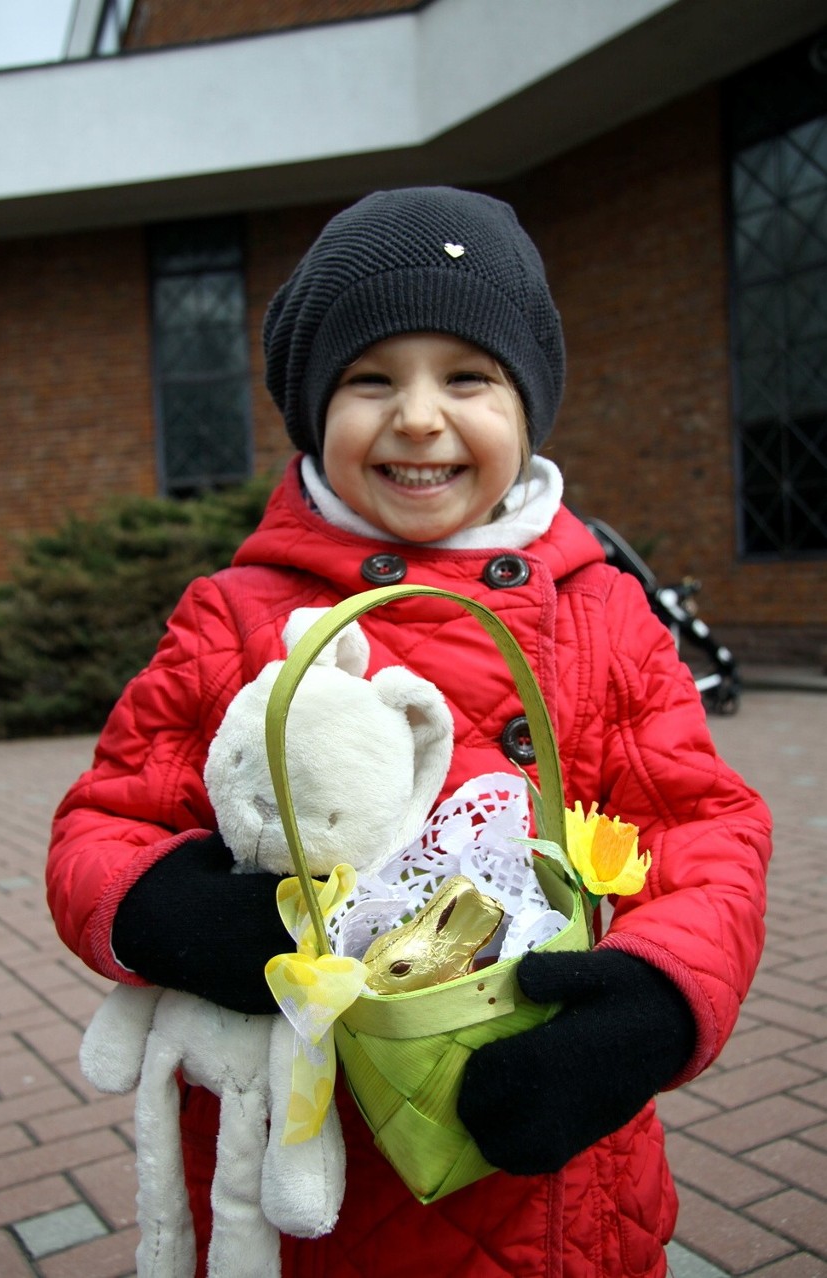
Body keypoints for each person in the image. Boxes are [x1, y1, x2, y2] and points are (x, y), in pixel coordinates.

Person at [47, 186, 771, 1278]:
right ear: (311, 413)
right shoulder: (235, 616)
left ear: (528, 407)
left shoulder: (603, 613)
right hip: (309, 1175)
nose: (420, 417)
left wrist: (659, 1005)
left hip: (559, 1170)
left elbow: (704, 831)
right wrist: (163, 909)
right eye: (370, 380)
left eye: (468, 377)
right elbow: (101, 825)